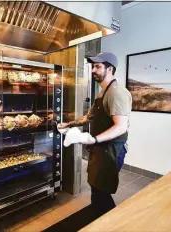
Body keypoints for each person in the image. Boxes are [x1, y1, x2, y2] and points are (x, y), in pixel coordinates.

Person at [57, 52, 132, 219]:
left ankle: (110, 223)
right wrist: (68, 124)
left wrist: (93, 139)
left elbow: (120, 127)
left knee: (102, 192)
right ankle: (97, 219)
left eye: (98, 66)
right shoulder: (102, 93)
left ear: (110, 69)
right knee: (96, 188)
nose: (93, 70)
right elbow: (88, 117)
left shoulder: (116, 93)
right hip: (100, 149)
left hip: (112, 150)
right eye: (93, 66)